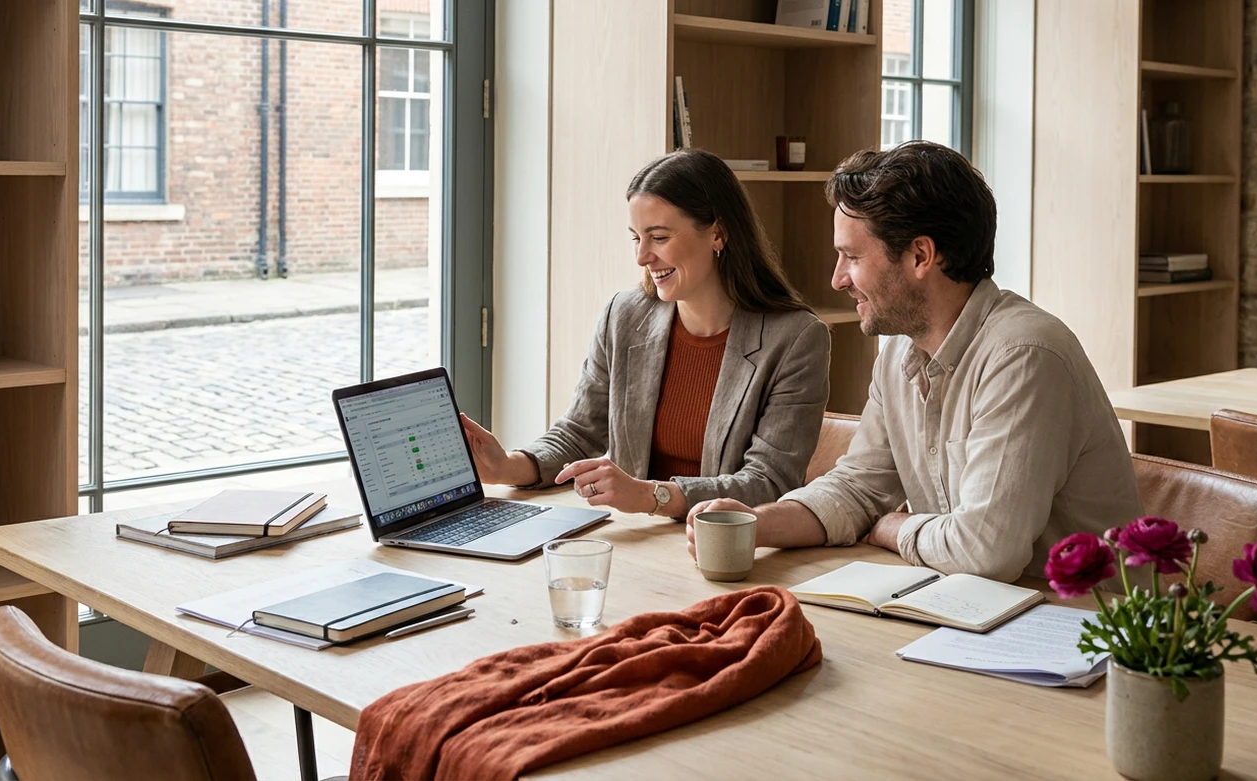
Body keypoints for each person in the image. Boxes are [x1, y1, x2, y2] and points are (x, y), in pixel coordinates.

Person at [687, 141, 1144, 582]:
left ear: (921, 256)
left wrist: (892, 528)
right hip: (977, 614)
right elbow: (858, 489)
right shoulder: (898, 357)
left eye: (851, 257)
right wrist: (755, 524)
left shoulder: (1022, 356)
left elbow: (986, 552)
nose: (837, 279)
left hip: (1087, 634)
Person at [461, 149, 831, 519]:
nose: (642, 257)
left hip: (724, 548)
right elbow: (580, 431)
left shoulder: (796, 339)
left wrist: (654, 496)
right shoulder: (623, 315)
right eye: (636, 238)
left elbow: (769, 481)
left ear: (718, 233)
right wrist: (509, 466)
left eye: (659, 236)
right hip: (636, 539)